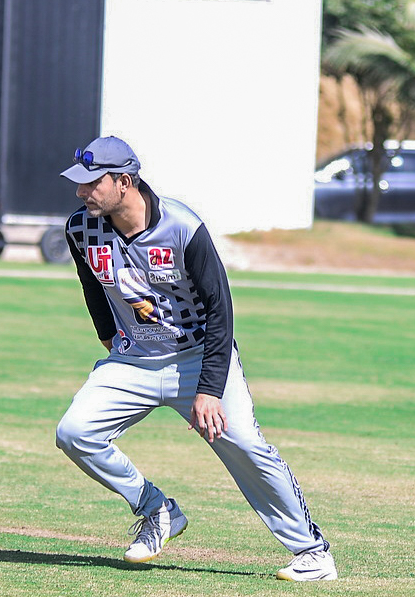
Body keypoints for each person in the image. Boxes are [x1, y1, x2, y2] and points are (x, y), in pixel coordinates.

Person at [54, 136, 337, 581]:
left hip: (197, 358)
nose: (81, 192)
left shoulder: (183, 227)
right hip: (132, 360)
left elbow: (220, 310)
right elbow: (92, 285)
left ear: (124, 182)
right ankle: (157, 510)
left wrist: (208, 390)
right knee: (74, 433)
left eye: (92, 184)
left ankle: (312, 552)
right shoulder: (79, 228)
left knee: (245, 446)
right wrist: (109, 338)